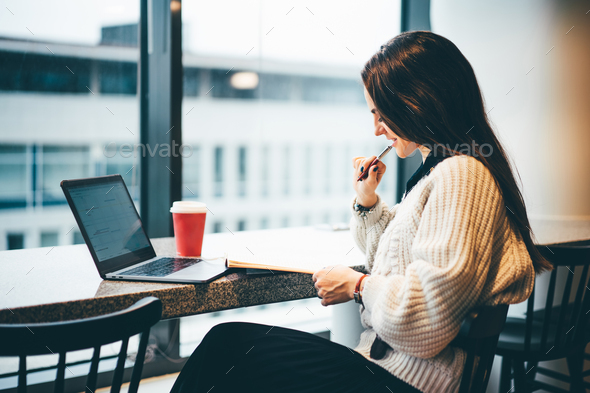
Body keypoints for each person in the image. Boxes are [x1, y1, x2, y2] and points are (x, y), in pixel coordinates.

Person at [170, 31, 550, 393]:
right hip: (390, 370)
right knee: (231, 348)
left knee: (229, 346)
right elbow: (398, 262)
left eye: (381, 115)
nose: (377, 130)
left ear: (417, 102)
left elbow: (426, 322)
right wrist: (367, 201)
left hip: (404, 380)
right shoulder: (444, 170)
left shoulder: (460, 175)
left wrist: (357, 286)